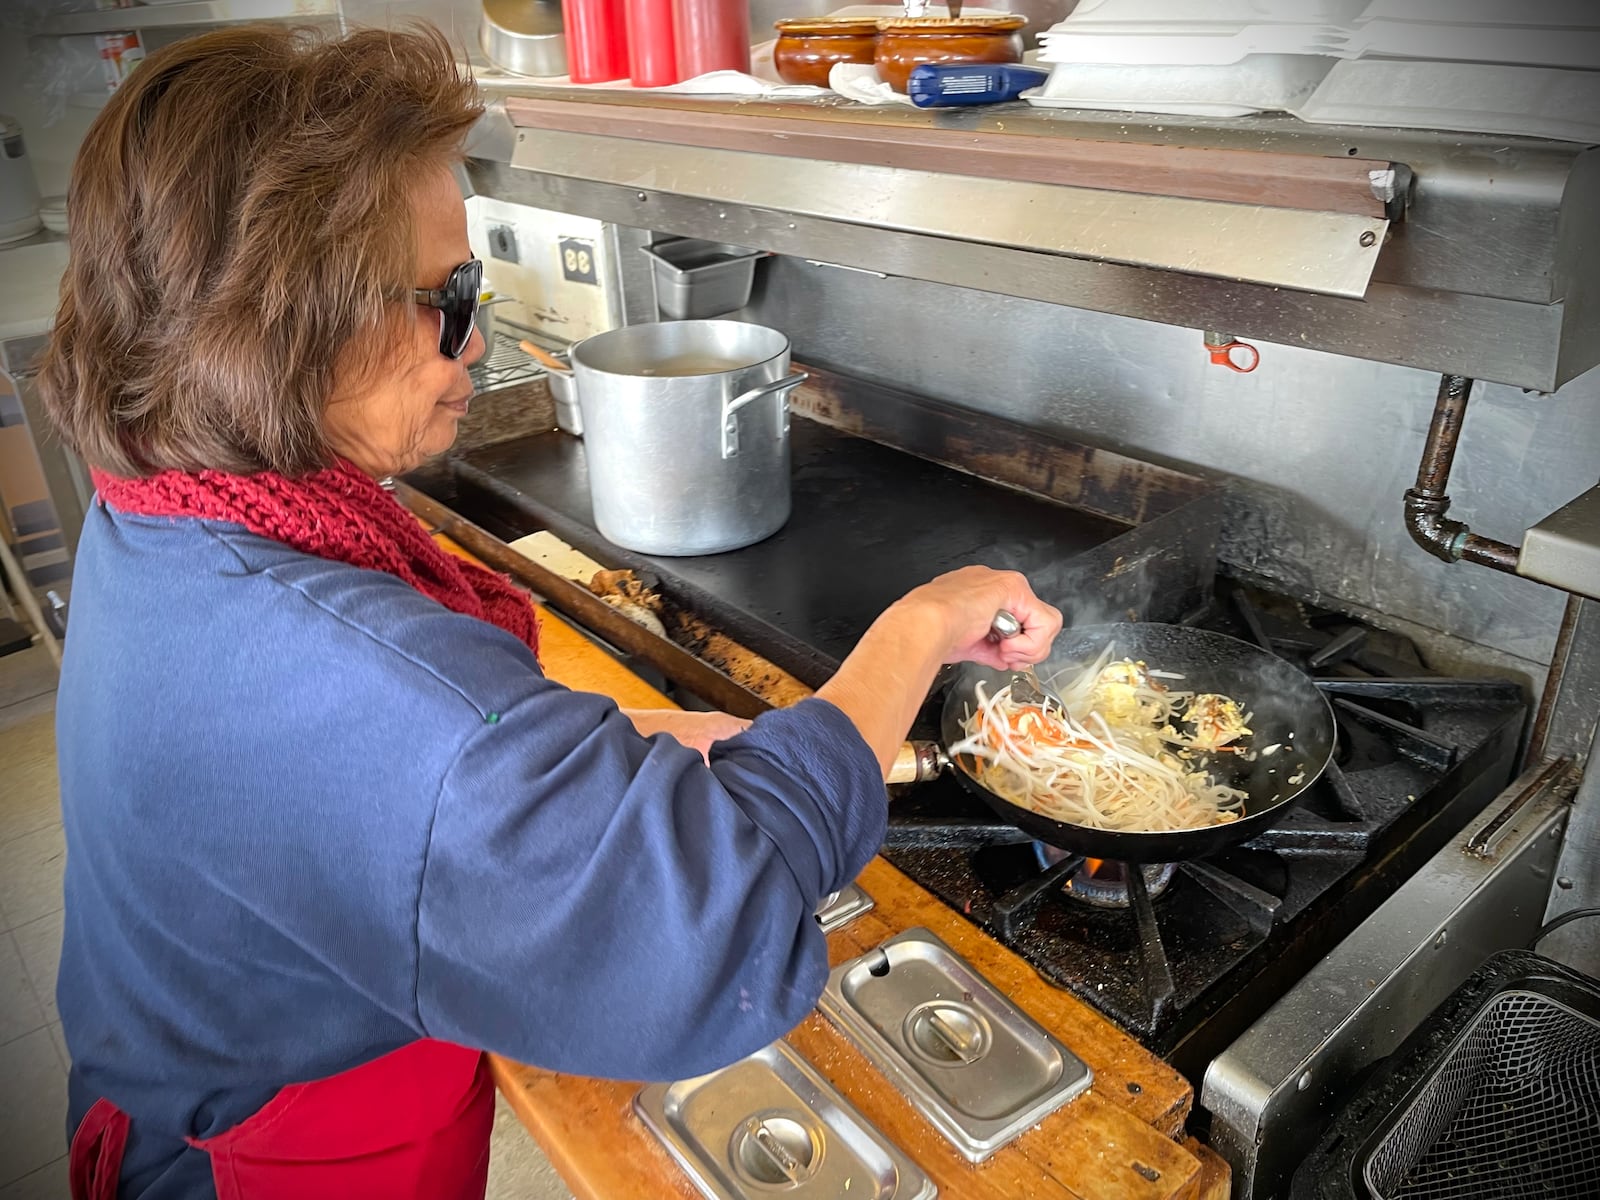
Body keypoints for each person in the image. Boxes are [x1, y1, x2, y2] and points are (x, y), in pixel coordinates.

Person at [39, 23, 1063, 1200]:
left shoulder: (166, 502)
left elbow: (368, 785)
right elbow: (711, 933)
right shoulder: (347, 677)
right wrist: (925, 619)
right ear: (287, 320)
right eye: (451, 294)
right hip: (255, 1160)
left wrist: (621, 747)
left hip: (207, 1060)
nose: (472, 340)